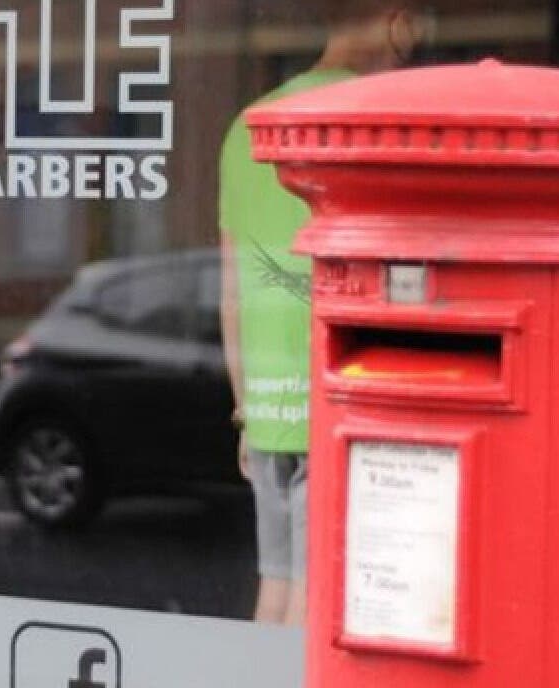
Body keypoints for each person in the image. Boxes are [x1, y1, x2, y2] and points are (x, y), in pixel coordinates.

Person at [218, 0, 423, 625]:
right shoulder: (378, 119)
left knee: (274, 584)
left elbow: (233, 287)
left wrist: (247, 408)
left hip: (271, 407)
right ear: (395, 23)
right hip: (339, 396)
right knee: (316, 593)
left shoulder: (248, 127)